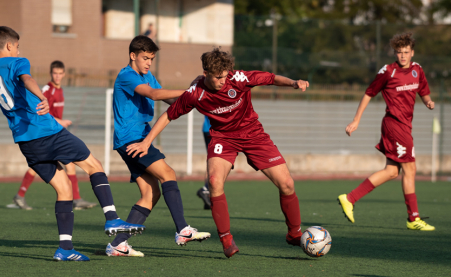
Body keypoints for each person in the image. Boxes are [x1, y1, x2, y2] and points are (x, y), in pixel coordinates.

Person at [0, 26, 145, 261]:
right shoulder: (17, 62)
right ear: (10, 46)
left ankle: (65, 249)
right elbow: (27, 79)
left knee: (63, 189)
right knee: (94, 165)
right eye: (18, 46)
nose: (19, 49)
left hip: (27, 143)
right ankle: (112, 218)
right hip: (47, 132)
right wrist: (42, 96)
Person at [126, 48, 309, 258]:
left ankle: (294, 234)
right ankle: (226, 238)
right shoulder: (195, 93)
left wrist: (294, 82)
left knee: (287, 184)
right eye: (218, 77)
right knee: (214, 182)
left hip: (252, 133)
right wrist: (146, 142)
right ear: (206, 73)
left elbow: (270, 78)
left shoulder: (238, 78)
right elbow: (168, 115)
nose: (223, 81)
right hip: (223, 138)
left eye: (225, 76)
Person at [105, 35, 210, 257]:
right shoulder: (127, 76)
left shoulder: (147, 75)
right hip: (132, 140)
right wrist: (189, 92)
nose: (148, 63)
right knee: (168, 174)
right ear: (132, 56)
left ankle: (118, 244)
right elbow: (154, 94)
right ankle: (182, 230)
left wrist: (194, 98)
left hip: (135, 139)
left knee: (150, 193)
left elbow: (169, 100)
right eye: (145, 58)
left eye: (151, 59)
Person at [338, 32, 435, 231]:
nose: (402, 56)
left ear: (412, 52)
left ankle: (349, 198)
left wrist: (428, 102)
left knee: (391, 171)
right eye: (399, 52)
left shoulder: (418, 70)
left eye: (406, 52)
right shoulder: (388, 71)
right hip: (394, 125)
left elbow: (423, 91)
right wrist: (356, 120)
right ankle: (413, 218)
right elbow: (368, 93)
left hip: (405, 126)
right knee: (410, 169)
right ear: (395, 53)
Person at [11, 60, 97, 211]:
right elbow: (41, 111)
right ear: (51, 74)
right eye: (54, 73)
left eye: (60, 73)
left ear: (64, 74)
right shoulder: (46, 90)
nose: (57, 76)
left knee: (64, 166)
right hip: (46, 132)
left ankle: (21, 195)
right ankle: (75, 199)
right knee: (54, 165)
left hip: (54, 131)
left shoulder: (60, 90)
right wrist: (60, 121)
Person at [196, 115, 212, 209]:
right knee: (219, 162)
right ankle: (206, 189)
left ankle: (208, 195)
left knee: (211, 160)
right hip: (216, 129)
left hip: (207, 128)